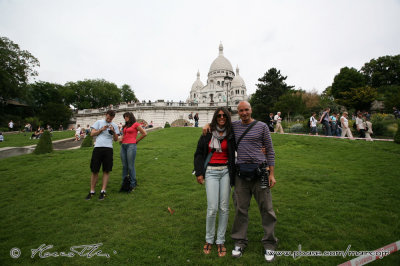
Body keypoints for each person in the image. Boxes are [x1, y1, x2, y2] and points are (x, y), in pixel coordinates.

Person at [203, 101, 278, 262]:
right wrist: (207, 124)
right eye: (241, 110)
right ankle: (239, 241)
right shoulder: (234, 127)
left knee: (267, 209)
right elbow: (219, 126)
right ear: (237, 112)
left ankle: (269, 244)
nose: (244, 113)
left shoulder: (262, 127)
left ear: (251, 110)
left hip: (260, 172)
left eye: (246, 110)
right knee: (240, 209)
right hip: (241, 174)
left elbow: (270, 151)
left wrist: (271, 174)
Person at [194, 107, 236, 257]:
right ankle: (209, 239)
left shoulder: (231, 133)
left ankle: (220, 240)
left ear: (228, 117)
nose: (222, 117)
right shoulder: (208, 132)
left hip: (226, 171)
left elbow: (242, 145)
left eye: (224, 115)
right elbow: (199, 153)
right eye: (219, 115)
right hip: (211, 171)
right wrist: (199, 172)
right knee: (212, 208)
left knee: (224, 208)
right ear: (215, 117)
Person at [85, 110, 120, 200]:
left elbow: (116, 139)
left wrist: (113, 132)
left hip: (108, 149)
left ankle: (103, 191)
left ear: (113, 118)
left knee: (106, 170)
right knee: (94, 170)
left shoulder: (115, 126)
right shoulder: (99, 122)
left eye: (111, 119)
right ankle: (92, 190)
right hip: (98, 148)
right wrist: (101, 129)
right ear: (106, 115)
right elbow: (92, 134)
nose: (109, 120)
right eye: (108, 118)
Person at [120, 112, 147, 192]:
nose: (125, 118)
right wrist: (121, 139)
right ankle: (124, 183)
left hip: (131, 145)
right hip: (123, 146)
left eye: (127, 116)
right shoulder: (125, 126)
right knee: (125, 166)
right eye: (124, 117)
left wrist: (136, 141)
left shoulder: (135, 124)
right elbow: (123, 135)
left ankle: (132, 183)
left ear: (130, 117)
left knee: (130, 166)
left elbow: (144, 133)